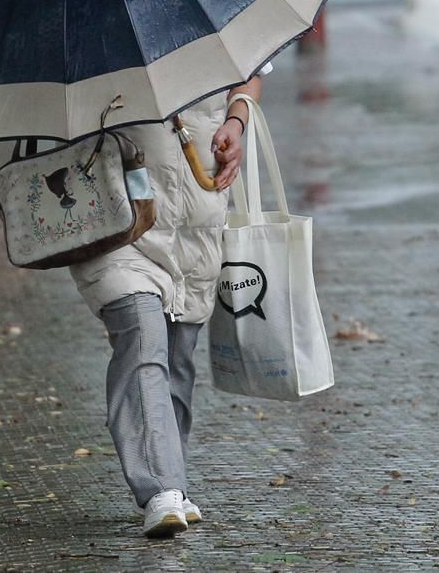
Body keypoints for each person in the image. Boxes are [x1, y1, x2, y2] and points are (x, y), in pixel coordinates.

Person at [67, 72, 264, 539]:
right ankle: (160, 487)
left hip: (197, 217)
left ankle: (171, 481)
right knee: (142, 338)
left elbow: (249, 75)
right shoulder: (79, 22)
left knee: (177, 360)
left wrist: (236, 122)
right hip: (120, 221)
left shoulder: (204, 2)